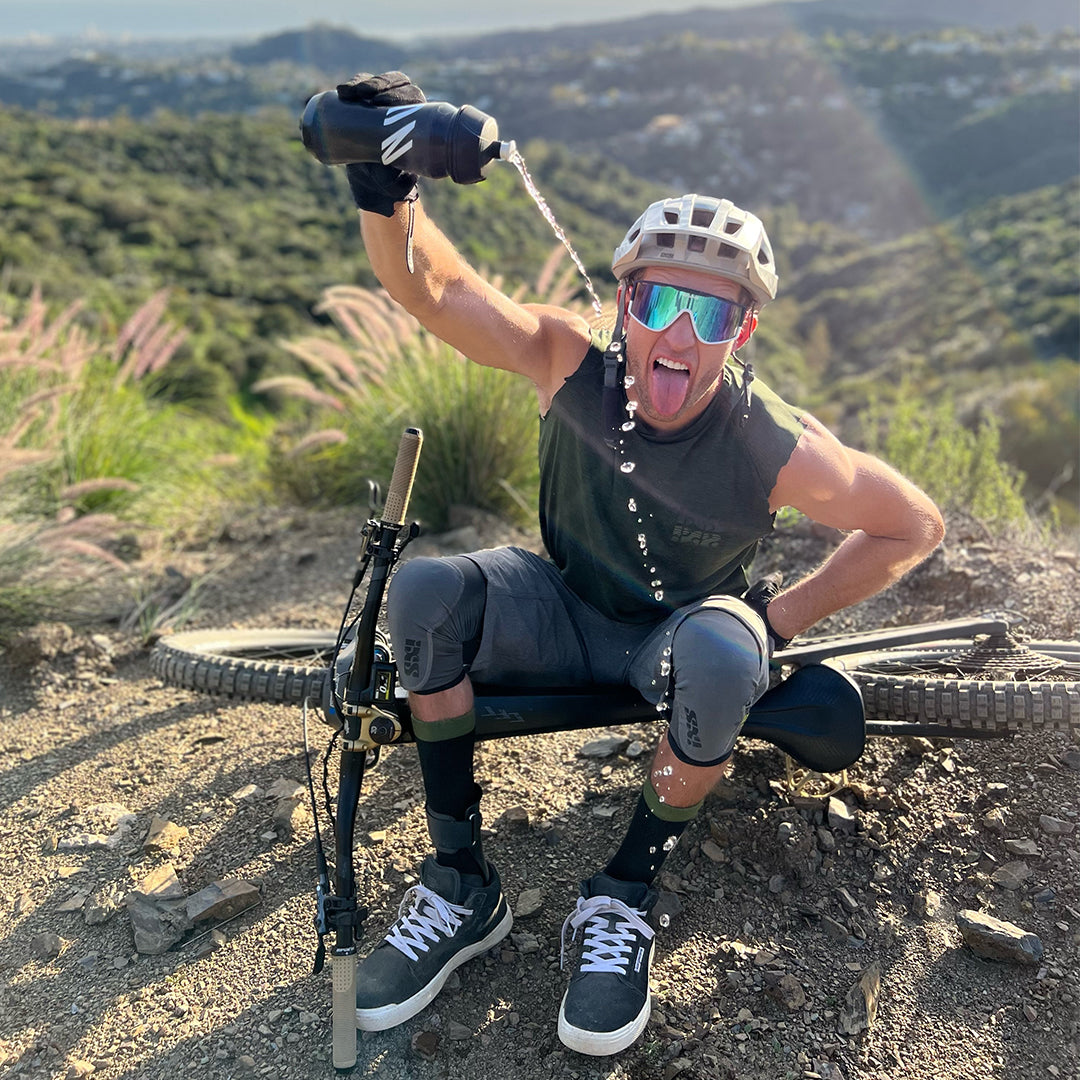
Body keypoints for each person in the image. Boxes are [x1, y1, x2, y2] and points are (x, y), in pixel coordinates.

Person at [338, 72, 945, 1056]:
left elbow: (909, 523)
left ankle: (622, 895)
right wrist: (386, 190)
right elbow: (435, 290)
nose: (678, 334)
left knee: (717, 657)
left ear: (740, 333)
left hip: (680, 639)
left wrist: (775, 624)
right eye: (660, 302)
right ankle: (460, 882)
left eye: (711, 318)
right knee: (425, 593)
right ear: (625, 303)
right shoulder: (568, 363)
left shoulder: (770, 440)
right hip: (565, 604)